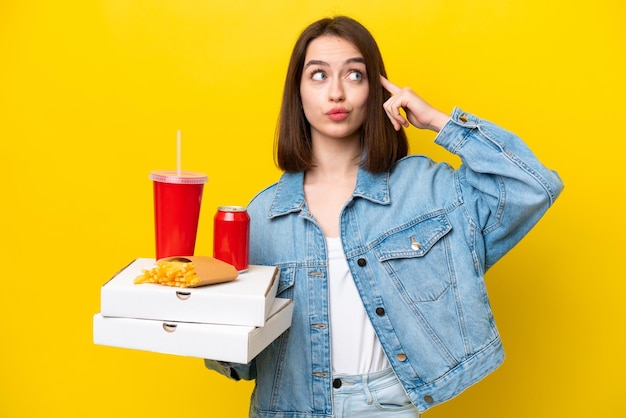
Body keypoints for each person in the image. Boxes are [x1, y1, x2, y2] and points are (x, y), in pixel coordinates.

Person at [205, 15, 564, 417]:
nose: (336, 93)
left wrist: (438, 121)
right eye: (319, 75)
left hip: (386, 406)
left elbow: (531, 187)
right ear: (298, 92)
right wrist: (196, 312)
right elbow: (237, 362)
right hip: (288, 408)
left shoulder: (426, 189)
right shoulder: (261, 215)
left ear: (377, 90)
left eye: (354, 75)